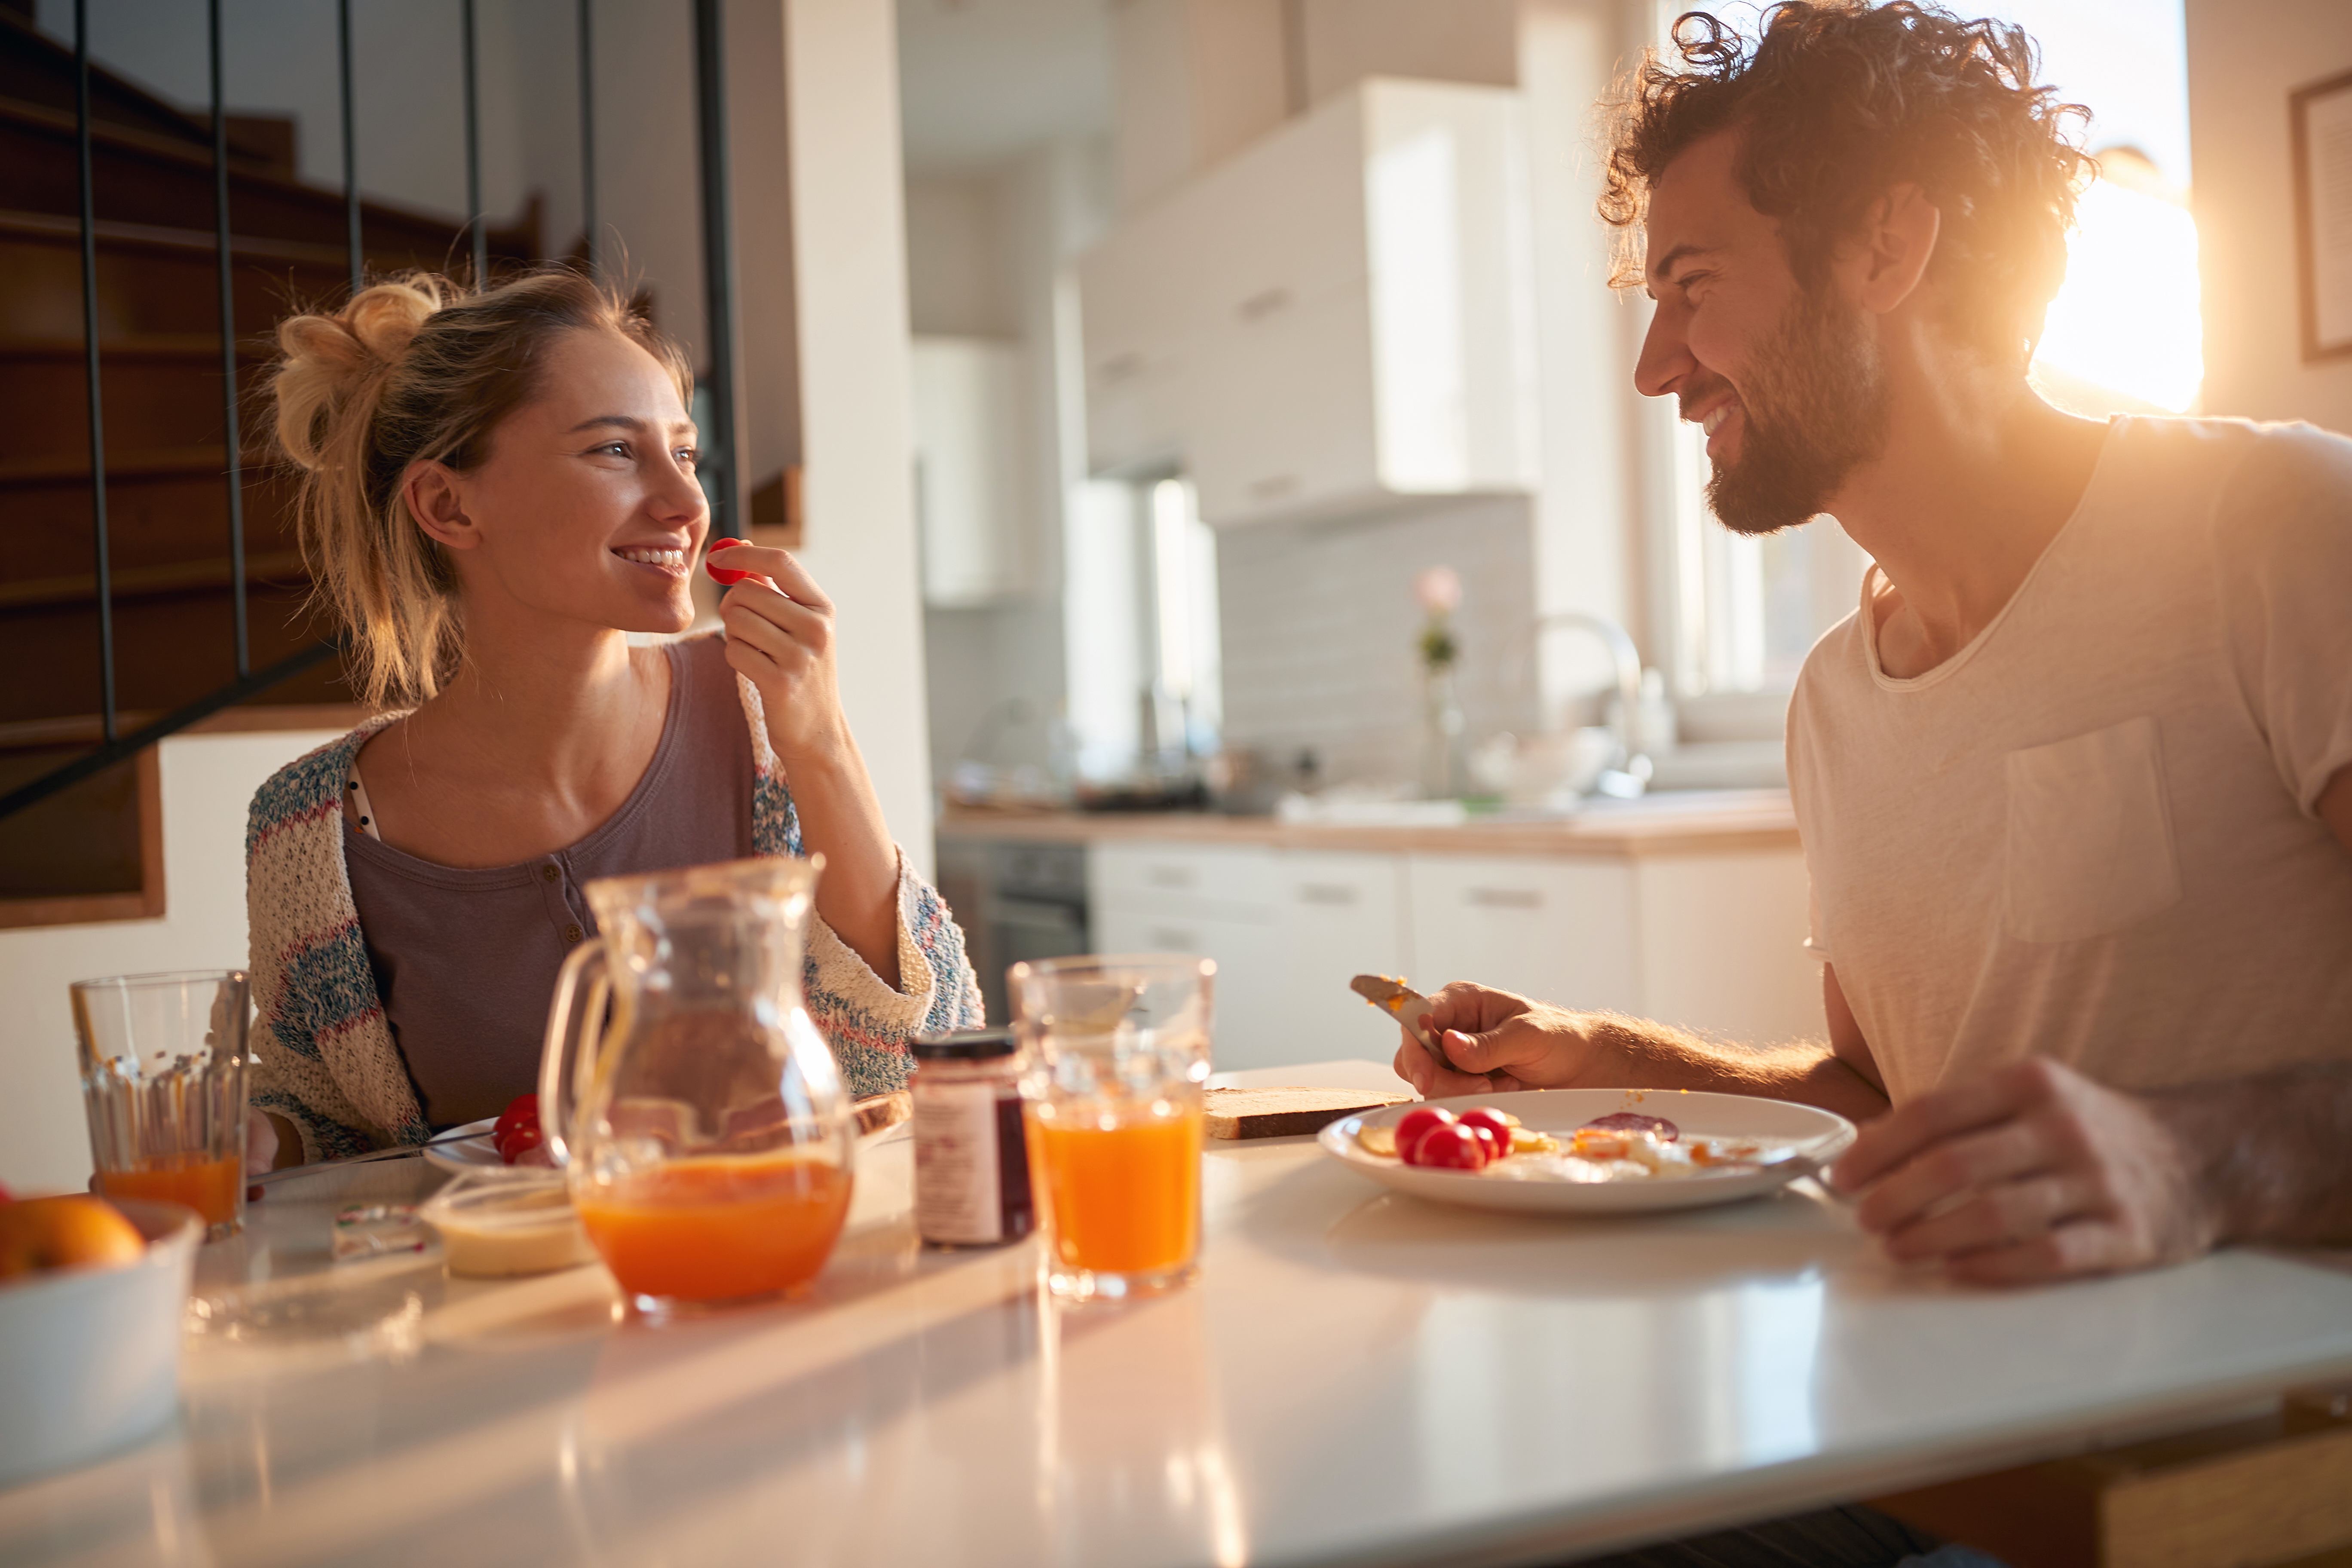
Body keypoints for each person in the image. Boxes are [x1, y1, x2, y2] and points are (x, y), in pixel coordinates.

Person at [1394, 0, 2352, 1288]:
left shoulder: (2275, 529)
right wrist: (1611, 1056)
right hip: (1938, 1417)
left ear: (1889, 246)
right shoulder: (1837, 698)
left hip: (2240, 1449)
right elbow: (1884, 1101)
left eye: (1692, 286)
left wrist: (2191, 1163)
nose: (1655, 369)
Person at [243, 268, 981, 1167]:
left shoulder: (760, 712)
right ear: (448, 504)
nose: (685, 504)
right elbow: (317, 1118)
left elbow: (935, 1060)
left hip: (781, 1273)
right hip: (501, 1301)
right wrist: (241, 1139)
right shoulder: (308, 832)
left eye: (685, 452)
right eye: (616, 452)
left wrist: (822, 745)